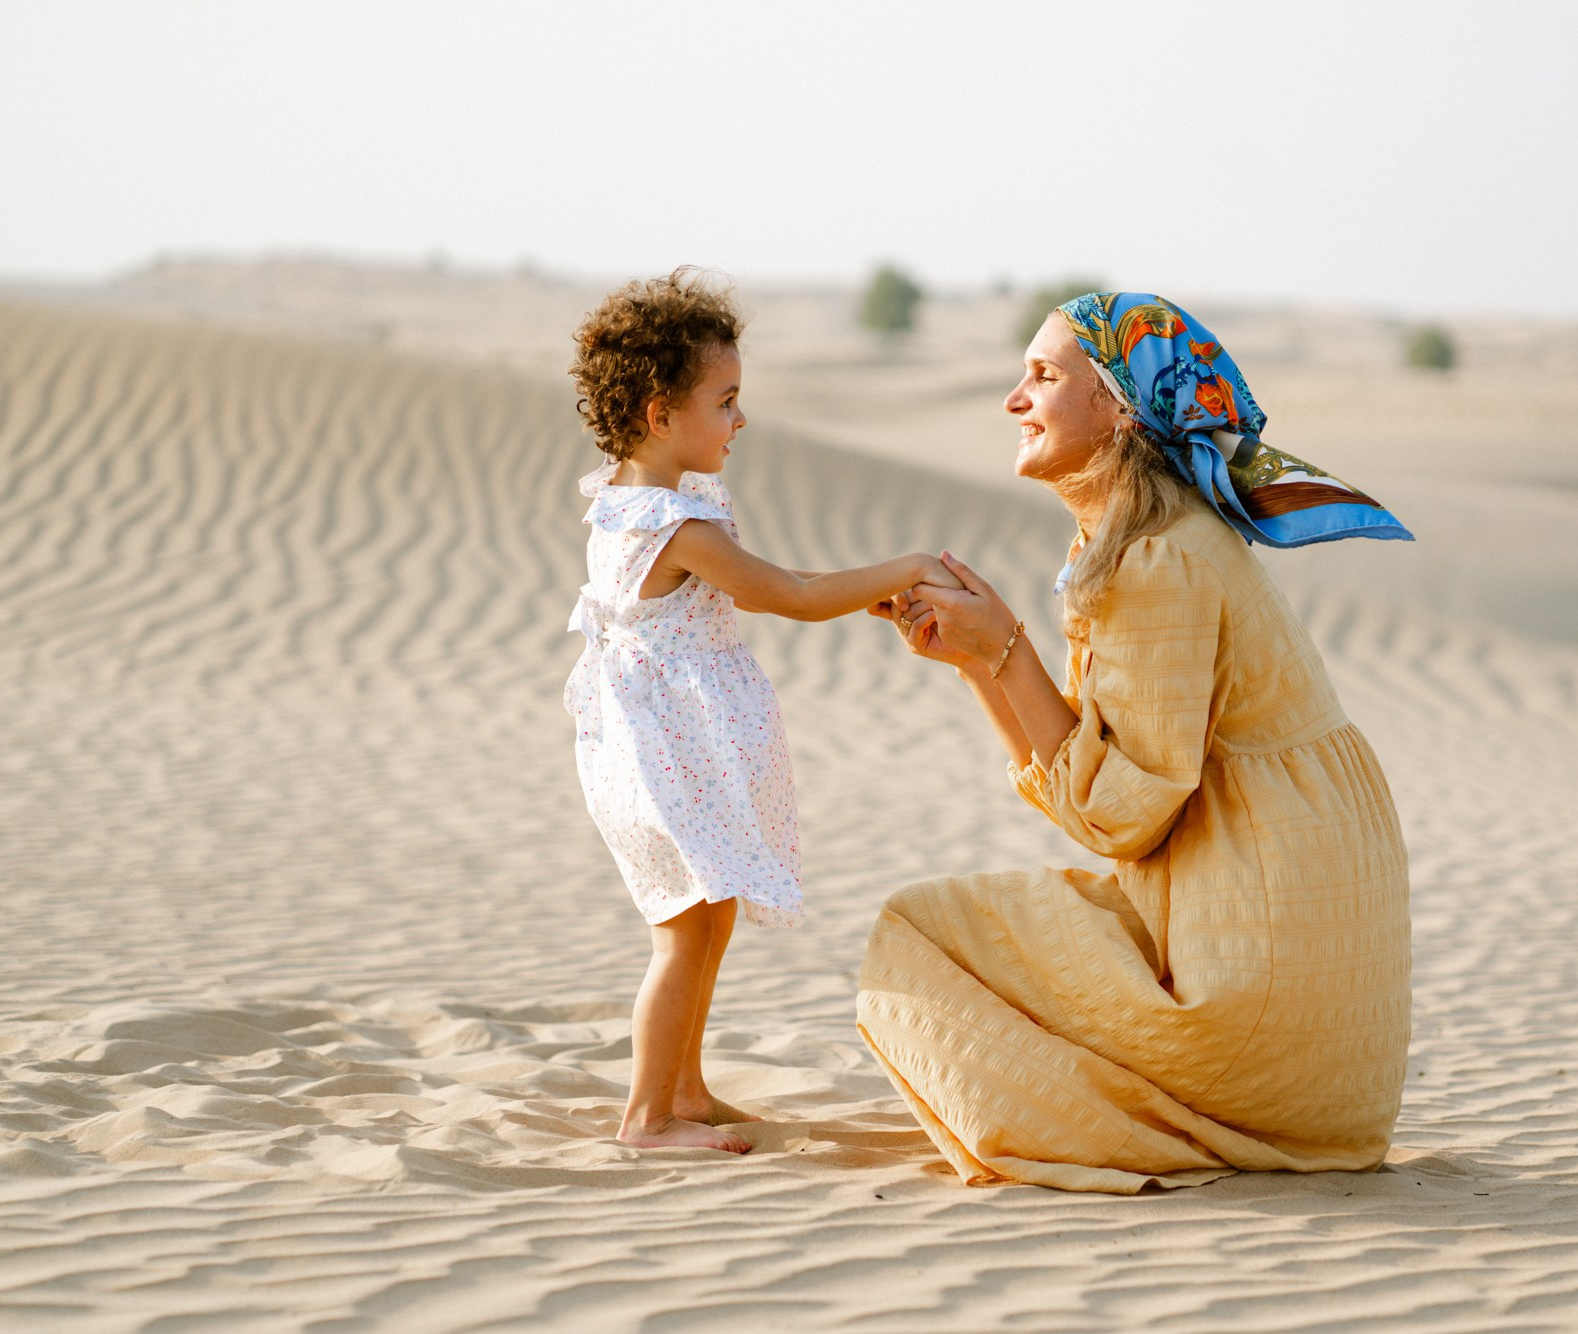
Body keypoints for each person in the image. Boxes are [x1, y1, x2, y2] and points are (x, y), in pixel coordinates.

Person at [859, 291, 1415, 1192]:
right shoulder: (1168, 543)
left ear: (1116, 408)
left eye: (1042, 376)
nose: (1014, 399)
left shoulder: (1155, 563)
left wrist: (1004, 649)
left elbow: (1119, 819)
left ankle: (1167, 1125)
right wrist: (981, 659)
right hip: (1330, 1062)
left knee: (917, 933)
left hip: (1254, 1018)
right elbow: (1109, 791)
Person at [564, 269, 961, 1153]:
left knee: (713, 912)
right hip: (660, 756)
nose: (740, 420)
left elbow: (778, 592)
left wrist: (865, 592)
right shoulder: (670, 525)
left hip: (671, 745)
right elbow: (793, 593)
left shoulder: (647, 504)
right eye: (726, 401)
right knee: (681, 931)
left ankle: (687, 1091)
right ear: (660, 412)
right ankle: (648, 1117)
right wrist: (903, 569)